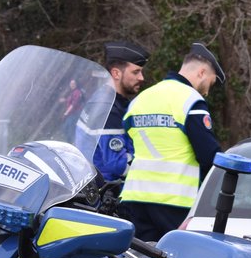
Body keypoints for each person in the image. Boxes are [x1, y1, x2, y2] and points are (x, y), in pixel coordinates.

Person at [119, 42, 225, 241]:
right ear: (202, 72)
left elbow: (129, 145)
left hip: (135, 197)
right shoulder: (190, 100)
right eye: (210, 84)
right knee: (178, 257)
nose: (207, 92)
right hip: (175, 202)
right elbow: (208, 155)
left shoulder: (140, 99)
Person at [94, 40, 150, 182]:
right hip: (109, 188)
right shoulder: (109, 108)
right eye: (136, 72)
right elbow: (117, 164)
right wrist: (151, 170)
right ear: (116, 73)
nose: (141, 78)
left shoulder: (106, 99)